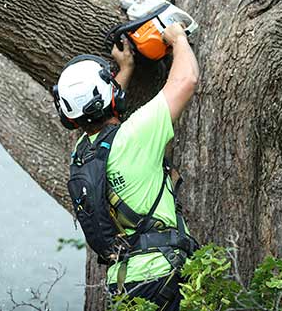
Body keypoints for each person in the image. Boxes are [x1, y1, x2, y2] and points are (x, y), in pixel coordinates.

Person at [53, 23, 199, 310]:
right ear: (109, 96)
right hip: (164, 272)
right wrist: (178, 37)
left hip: (123, 281)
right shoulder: (136, 135)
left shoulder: (81, 153)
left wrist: (126, 68)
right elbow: (186, 80)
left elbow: (97, 108)